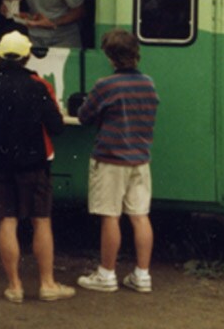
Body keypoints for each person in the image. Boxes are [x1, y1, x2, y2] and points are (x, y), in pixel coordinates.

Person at [0, 31, 74, 304]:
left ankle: (14, 286)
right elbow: (57, 127)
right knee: (41, 220)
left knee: (7, 220)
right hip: (34, 162)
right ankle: (47, 284)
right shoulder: (38, 86)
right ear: (27, 57)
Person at [75, 29, 160, 293]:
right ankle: (142, 275)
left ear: (110, 56)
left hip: (111, 158)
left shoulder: (105, 85)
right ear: (136, 53)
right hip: (140, 159)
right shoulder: (148, 83)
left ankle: (107, 274)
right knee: (140, 216)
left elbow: (84, 116)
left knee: (110, 216)